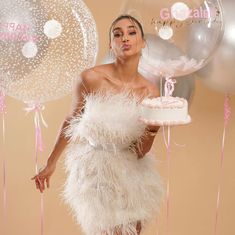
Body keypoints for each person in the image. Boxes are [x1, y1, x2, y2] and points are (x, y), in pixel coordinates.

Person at [31, 14, 165, 235]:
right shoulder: (91, 78)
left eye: (132, 32)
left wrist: (152, 130)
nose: (125, 38)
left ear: (143, 43)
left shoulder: (150, 92)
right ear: (111, 45)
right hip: (95, 170)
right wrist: (51, 162)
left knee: (134, 228)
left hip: (132, 170)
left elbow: (139, 151)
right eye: (117, 34)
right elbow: (71, 121)